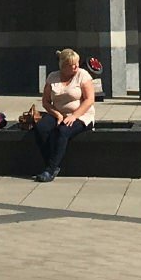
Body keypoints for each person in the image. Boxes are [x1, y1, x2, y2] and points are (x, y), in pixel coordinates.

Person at [30, 47, 97, 182]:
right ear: (63, 66)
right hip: (58, 113)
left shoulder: (82, 75)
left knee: (62, 131)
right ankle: (51, 163)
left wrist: (74, 116)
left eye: (77, 64)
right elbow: (46, 102)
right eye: (71, 65)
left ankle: (50, 169)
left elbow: (90, 100)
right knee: (41, 129)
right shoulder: (52, 77)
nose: (75, 67)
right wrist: (57, 115)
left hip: (80, 115)